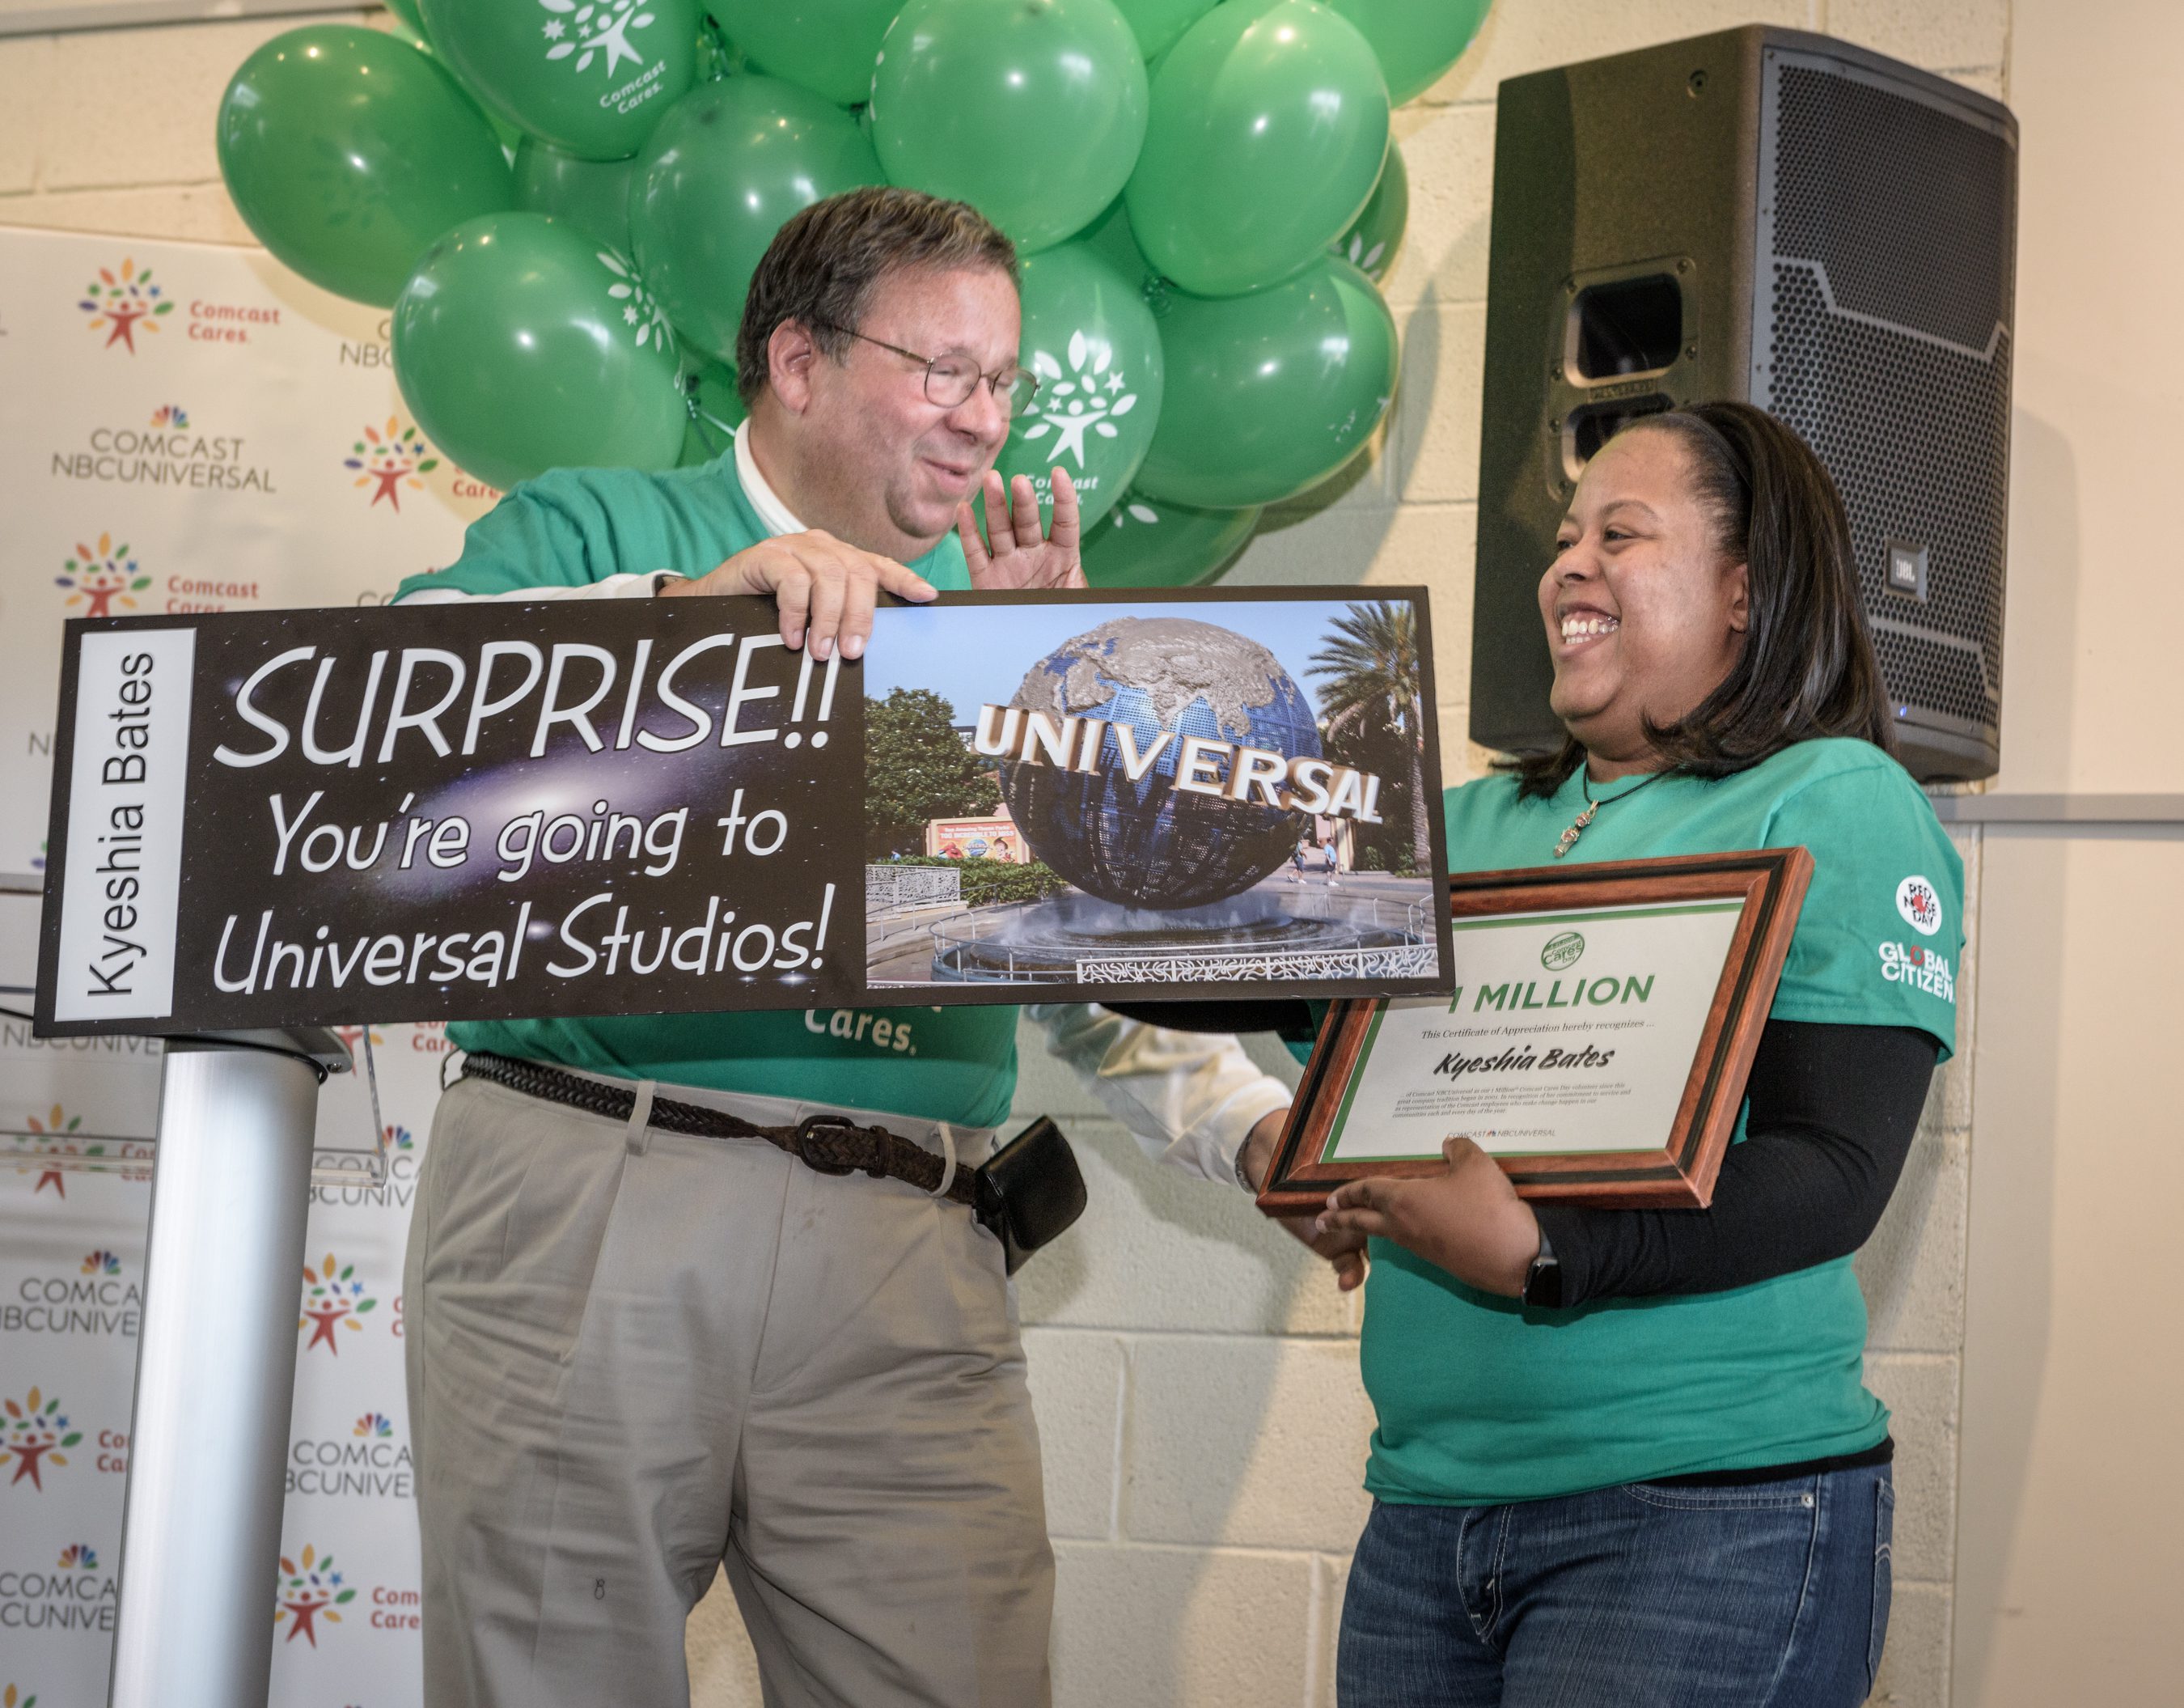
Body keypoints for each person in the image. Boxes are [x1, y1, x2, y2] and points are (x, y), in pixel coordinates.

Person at [396, 188, 1300, 1708]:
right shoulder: (600, 530)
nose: (982, 419)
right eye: (942, 370)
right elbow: (388, 719)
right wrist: (679, 617)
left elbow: (1073, 973)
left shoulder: (1007, 634)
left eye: (1001, 380)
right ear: (798, 363)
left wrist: (1258, 1127)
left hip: (915, 1243)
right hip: (597, 1190)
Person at [1290, 402, 1962, 1707]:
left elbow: (1833, 1170)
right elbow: (1163, 958)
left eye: (1622, 534)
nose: (1569, 566)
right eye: (1563, 539)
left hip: (1705, 1525)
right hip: (1426, 1514)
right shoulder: (1461, 821)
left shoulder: (1833, 796)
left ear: (1742, 592)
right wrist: (1045, 655)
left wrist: (1548, 1252)